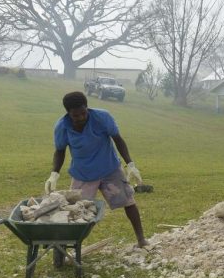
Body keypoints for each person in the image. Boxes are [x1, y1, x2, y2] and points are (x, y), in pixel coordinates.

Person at [45, 91, 148, 247]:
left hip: (109, 169)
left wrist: (130, 165)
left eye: (83, 113)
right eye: (75, 115)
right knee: (75, 211)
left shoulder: (102, 117)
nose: (80, 118)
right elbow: (60, 151)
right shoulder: (62, 127)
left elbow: (118, 139)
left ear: (87, 108)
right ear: (68, 114)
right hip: (83, 174)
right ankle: (68, 246)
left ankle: (141, 239)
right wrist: (54, 174)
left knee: (128, 202)